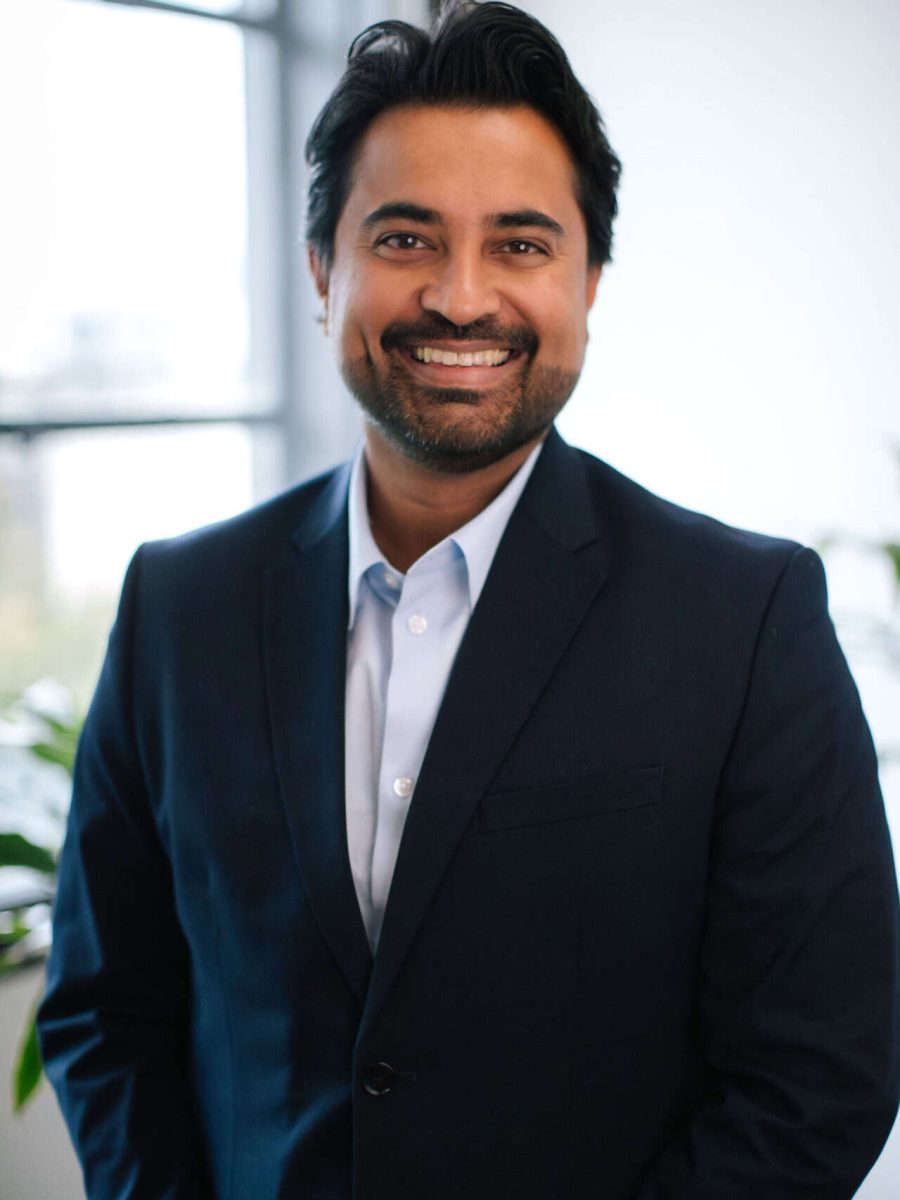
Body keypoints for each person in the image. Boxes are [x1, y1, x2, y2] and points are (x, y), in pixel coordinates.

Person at [38, 3, 899, 1197]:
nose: (459, 297)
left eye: (521, 244)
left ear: (590, 283)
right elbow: (105, 1009)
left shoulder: (746, 619)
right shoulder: (179, 607)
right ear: (321, 271)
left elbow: (821, 1073)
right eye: (405, 237)